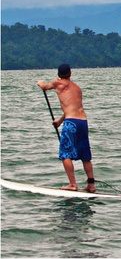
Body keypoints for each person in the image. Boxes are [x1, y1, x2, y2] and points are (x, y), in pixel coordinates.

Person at [37, 64, 96, 193]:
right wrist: (59, 120)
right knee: (85, 155)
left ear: (58, 75)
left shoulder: (58, 83)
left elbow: (45, 87)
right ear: (70, 73)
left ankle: (72, 184)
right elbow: (72, 107)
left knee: (65, 153)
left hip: (71, 124)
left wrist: (40, 82)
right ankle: (91, 185)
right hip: (82, 122)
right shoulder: (77, 88)